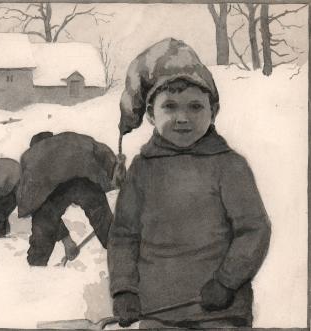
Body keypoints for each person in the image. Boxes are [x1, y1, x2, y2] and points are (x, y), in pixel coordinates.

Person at [108, 38, 271, 328]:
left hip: (221, 314)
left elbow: (254, 230)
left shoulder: (229, 165)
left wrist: (227, 280)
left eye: (195, 107)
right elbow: (123, 235)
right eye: (170, 106)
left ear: (213, 111)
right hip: (156, 314)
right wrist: (123, 289)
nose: (183, 118)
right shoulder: (141, 169)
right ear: (150, 114)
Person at [17, 131, 117, 266]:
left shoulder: (30, 157)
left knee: (43, 221)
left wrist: (66, 240)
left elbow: (33, 200)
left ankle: (36, 266)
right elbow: (102, 152)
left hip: (56, 189)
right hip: (84, 180)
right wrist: (118, 178)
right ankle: (122, 251)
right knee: (102, 217)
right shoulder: (69, 138)